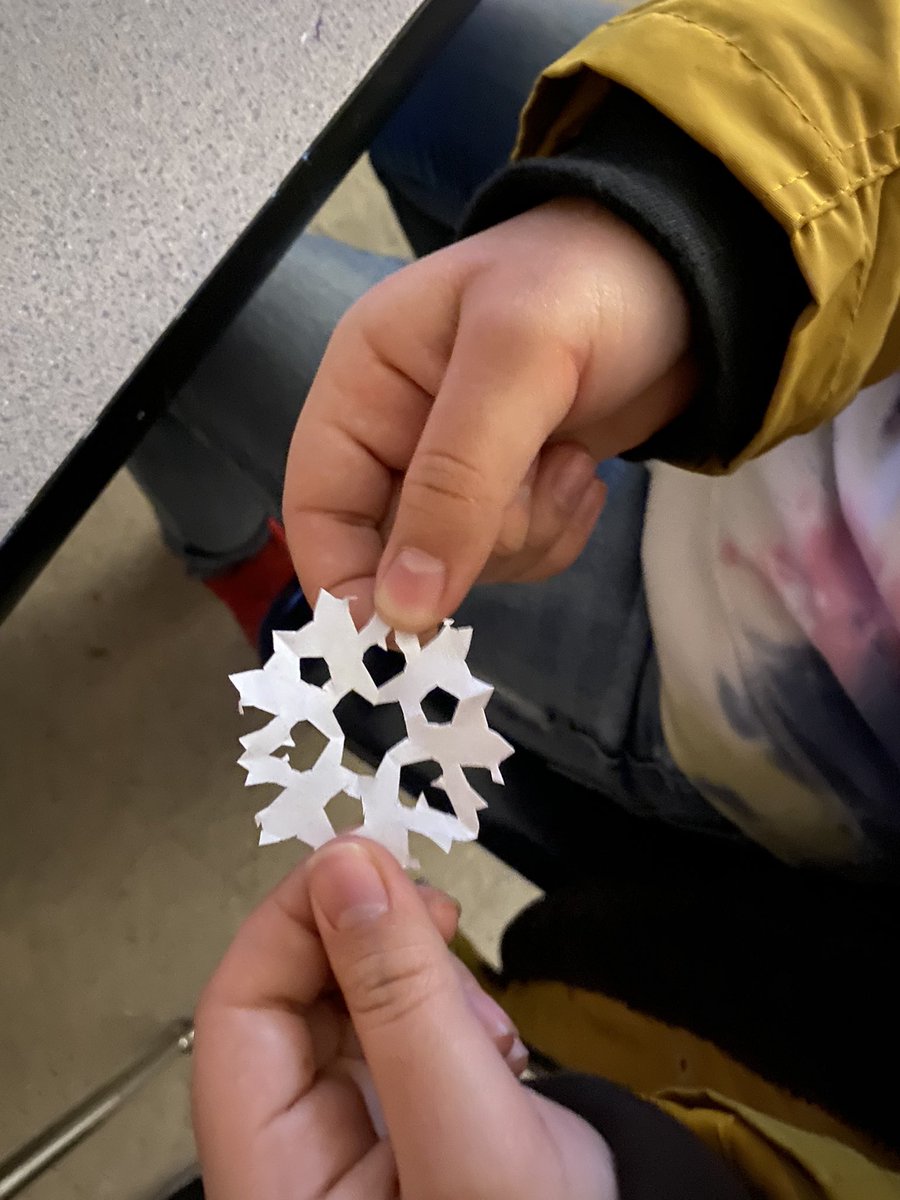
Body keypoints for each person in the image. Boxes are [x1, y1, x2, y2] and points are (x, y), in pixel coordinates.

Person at [131, 0, 900, 1194]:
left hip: (742, 692)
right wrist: (691, 223)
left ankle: (239, 558)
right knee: (344, 50)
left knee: (158, 305)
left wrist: (636, 1180)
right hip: (801, 284)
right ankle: (252, 558)